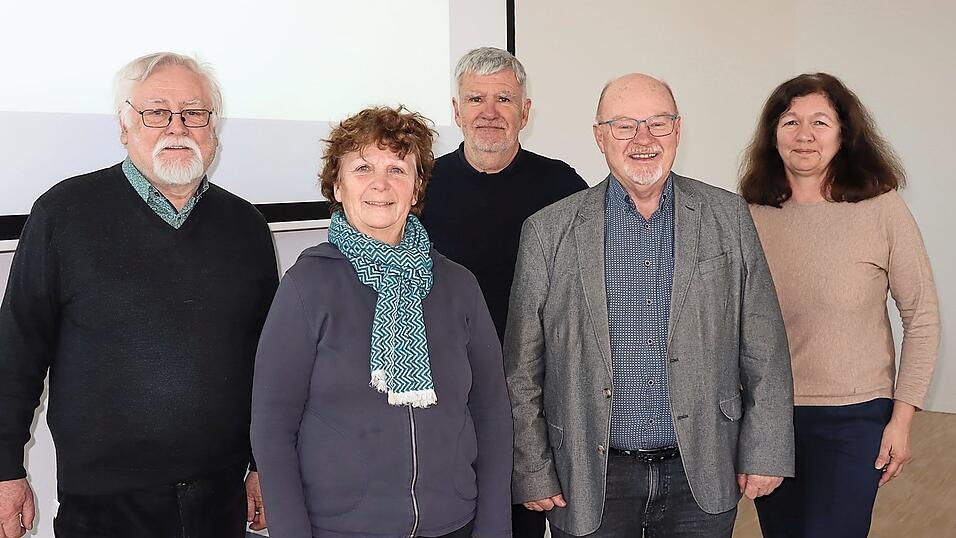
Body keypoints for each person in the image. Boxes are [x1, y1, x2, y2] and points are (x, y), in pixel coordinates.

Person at [504, 73, 795, 537]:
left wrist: (765, 449)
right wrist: (532, 469)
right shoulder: (547, 230)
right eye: (624, 125)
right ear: (599, 136)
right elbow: (522, 368)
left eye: (658, 123)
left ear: (677, 131)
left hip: (701, 466)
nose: (643, 139)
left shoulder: (727, 216)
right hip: (589, 474)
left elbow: (764, 344)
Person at [0, 52, 278, 538]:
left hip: (219, 501)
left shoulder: (247, 227)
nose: (178, 127)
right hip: (104, 509)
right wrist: (4, 469)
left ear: (213, 129)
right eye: (156, 112)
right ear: (125, 126)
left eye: (195, 113)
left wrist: (262, 464)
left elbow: (271, 363)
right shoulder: (63, 215)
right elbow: (16, 351)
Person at [251, 106, 514, 538]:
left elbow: (491, 413)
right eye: (362, 167)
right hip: (341, 529)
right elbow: (272, 428)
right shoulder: (306, 286)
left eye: (397, 168)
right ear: (337, 186)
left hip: (455, 525)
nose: (380, 183)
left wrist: (494, 528)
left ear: (416, 189)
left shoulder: (459, 285)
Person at [740, 72, 940, 538]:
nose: (804, 135)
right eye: (790, 121)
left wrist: (902, 417)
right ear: (772, 135)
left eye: (820, 122)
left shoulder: (881, 208)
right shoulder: (748, 215)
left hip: (855, 417)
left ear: (844, 134)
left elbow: (923, 319)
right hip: (771, 418)